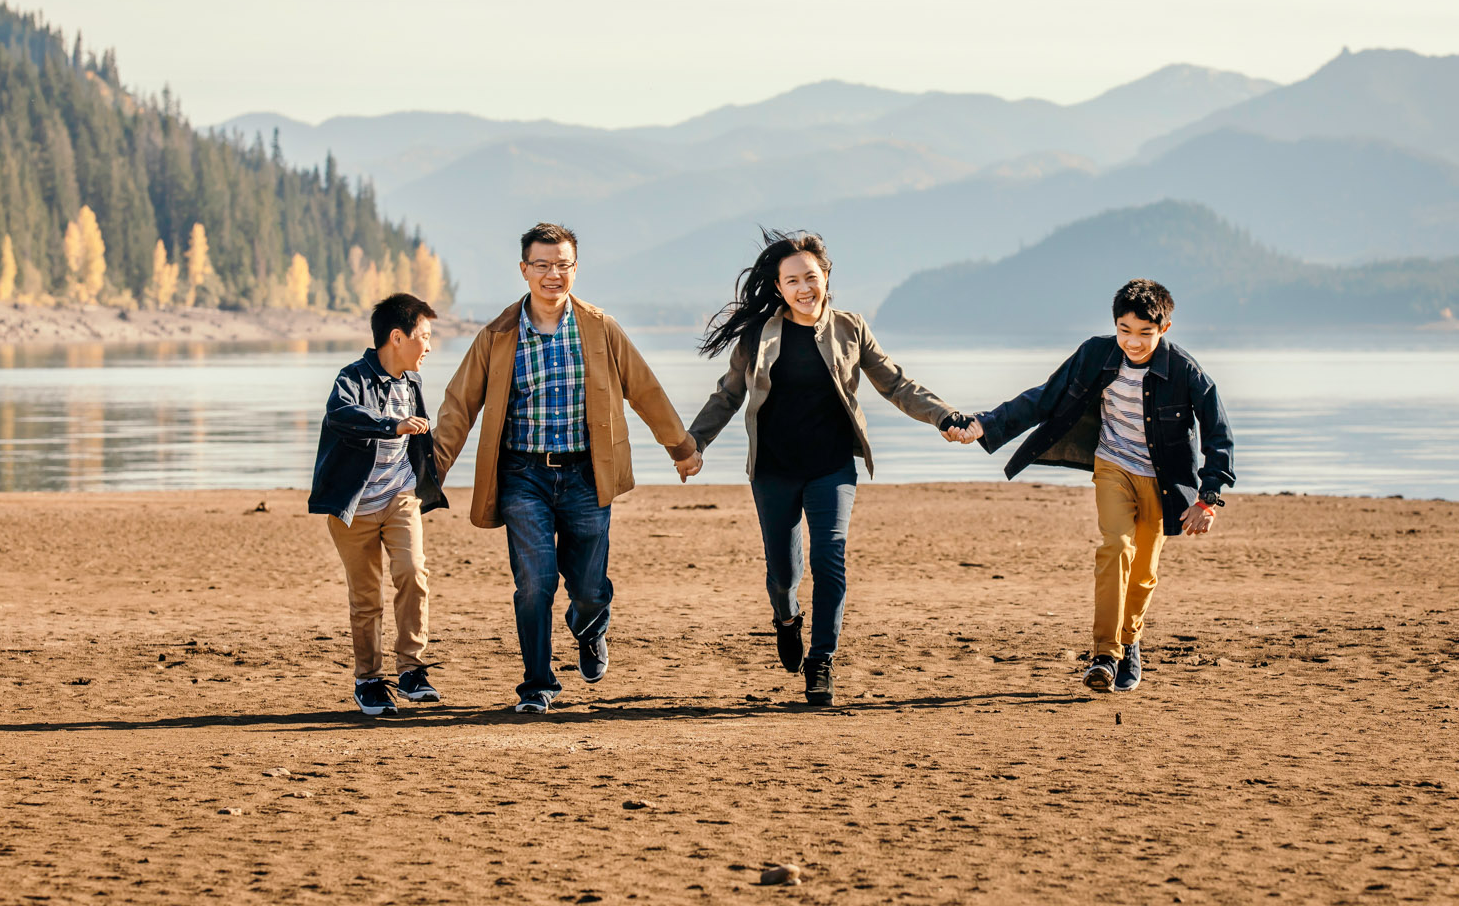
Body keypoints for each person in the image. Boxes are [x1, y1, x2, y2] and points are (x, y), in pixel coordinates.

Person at [687, 230, 968, 708]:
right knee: (783, 574)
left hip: (831, 467)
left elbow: (895, 383)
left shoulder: (850, 328)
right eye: (792, 280)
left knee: (830, 558)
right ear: (778, 287)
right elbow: (728, 394)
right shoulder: (758, 336)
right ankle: (787, 617)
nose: (803, 288)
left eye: (810, 278)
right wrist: (693, 443)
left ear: (826, 278)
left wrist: (944, 415)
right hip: (773, 470)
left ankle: (822, 661)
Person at [432, 222, 702, 714]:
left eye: (563, 265)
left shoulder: (599, 327)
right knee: (535, 581)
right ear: (524, 270)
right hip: (522, 475)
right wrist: (432, 470)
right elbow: (458, 405)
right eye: (542, 265)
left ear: (575, 268)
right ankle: (537, 685)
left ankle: (590, 622)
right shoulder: (497, 335)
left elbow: (644, 388)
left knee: (589, 587)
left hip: (586, 474)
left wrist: (680, 446)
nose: (553, 274)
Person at [950, 278, 1233, 694]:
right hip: (1113, 466)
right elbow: (1044, 397)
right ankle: (1104, 654)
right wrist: (986, 424)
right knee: (1115, 547)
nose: (1132, 342)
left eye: (1144, 333)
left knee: (1144, 573)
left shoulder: (1187, 373)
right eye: (1124, 330)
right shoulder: (1095, 355)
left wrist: (1207, 499)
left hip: (1163, 481)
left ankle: (1129, 640)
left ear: (1165, 329)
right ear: (1114, 324)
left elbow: (1218, 434)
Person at [308, 291, 447, 717]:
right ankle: (368, 680)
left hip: (399, 495)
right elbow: (340, 415)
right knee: (365, 597)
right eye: (423, 335)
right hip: (354, 507)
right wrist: (393, 425)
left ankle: (411, 669)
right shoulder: (352, 378)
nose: (428, 345)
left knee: (413, 573)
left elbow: (422, 438)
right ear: (397, 337)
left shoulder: (413, 382)